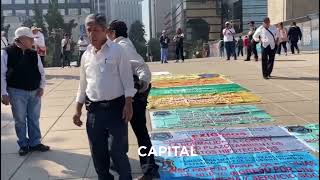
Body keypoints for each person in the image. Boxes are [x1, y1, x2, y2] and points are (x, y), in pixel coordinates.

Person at [73, 13, 135, 180]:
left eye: (96, 30)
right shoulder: (86, 55)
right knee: (98, 153)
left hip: (116, 109)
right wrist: (78, 109)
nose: (92, 34)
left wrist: (128, 104)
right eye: (89, 30)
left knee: (117, 151)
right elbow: (83, 85)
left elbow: (127, 80)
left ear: (105, 31)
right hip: (94, 111)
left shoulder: (117, 51)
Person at [107, 20, 160, 180]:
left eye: (108, 32)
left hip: (133, 96)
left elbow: (141, 67)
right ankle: (121, 162)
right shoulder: (123, 44)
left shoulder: (121, 46)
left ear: (113, 33)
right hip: (128, 94)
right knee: (125, 131)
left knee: (139, 132)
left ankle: (150, 169)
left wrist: (141, 85)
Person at [1, 27, 49, 156]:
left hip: (34, 91)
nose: (32, 41)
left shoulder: (34, 53)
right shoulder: (6, 53)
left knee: (34, 118)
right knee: (20, 119)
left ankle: (35, 142)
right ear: (21, 39)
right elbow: (1, 74)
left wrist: (42, 87)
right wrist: (3, 93)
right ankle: (23, 144)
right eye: (30, 39)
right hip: (16, 92)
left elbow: (41, 72)